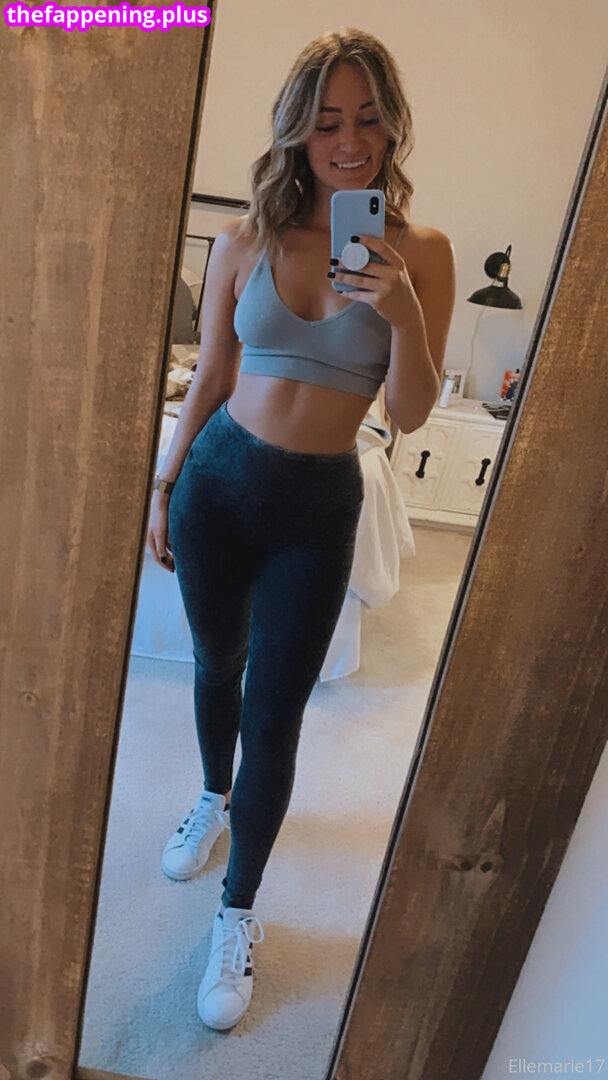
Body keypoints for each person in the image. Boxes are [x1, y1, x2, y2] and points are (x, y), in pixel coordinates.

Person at [147, 26, 456, 1031]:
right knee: (214, 666)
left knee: (275, 713)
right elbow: (212, 376)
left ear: (392, 127)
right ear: (296, 131)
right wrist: (165, 482)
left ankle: (237, 914)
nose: (348, 141)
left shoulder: (421, 253)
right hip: (218, 483)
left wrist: (404, 315)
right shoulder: (245, 239)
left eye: (366, 118)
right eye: (326, 122)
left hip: (317, 509)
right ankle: (211, 795)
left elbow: (409, 415)